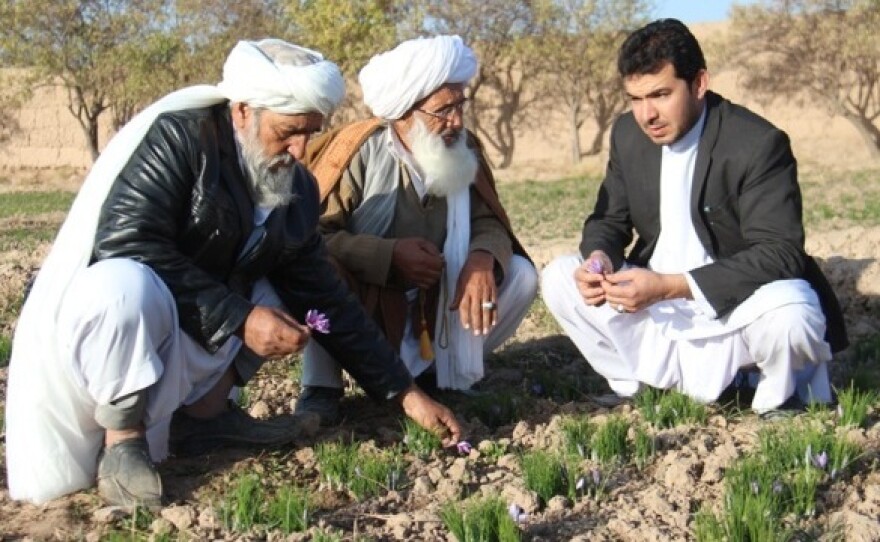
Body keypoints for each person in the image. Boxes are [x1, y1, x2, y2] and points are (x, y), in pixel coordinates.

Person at [5, 38, 461, 508]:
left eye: (310, 132)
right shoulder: (182, 142)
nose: (301, 151)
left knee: (295, 295)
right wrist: (240, 319)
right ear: (242, 112)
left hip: (198, 339)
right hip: (135, 337)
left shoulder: (296, 187)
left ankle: (206, 418)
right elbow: (127, 243)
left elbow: (323, 297)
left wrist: (405, 395)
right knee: (122, 285)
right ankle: (123, 441)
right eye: (287, 132)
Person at [541, 19, 847, 414]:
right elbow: (608, 220)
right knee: (559, 278)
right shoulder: (627, 134)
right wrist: (599, 259)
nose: (646, 113)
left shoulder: (756, 143)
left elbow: (780, 252)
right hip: (654, 303)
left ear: (699, 83)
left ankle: (770, 394)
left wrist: (671, 285)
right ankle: (643, 387)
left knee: (793, 311)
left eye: (660, 94)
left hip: (734, 305)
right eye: (634, 98)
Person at [295, 35, 538, 424]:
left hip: (436, 300)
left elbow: (488, 220)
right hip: (369, 300)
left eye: (461, 105)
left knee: (522, 276)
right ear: (405, 113)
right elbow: (313, 238)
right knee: (320, 275)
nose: (456, 121)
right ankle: (321, 387)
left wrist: (480, 259)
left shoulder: (464, 146)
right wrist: (388, 257)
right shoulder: (359, 152)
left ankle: (436, 376)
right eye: (443, 110)